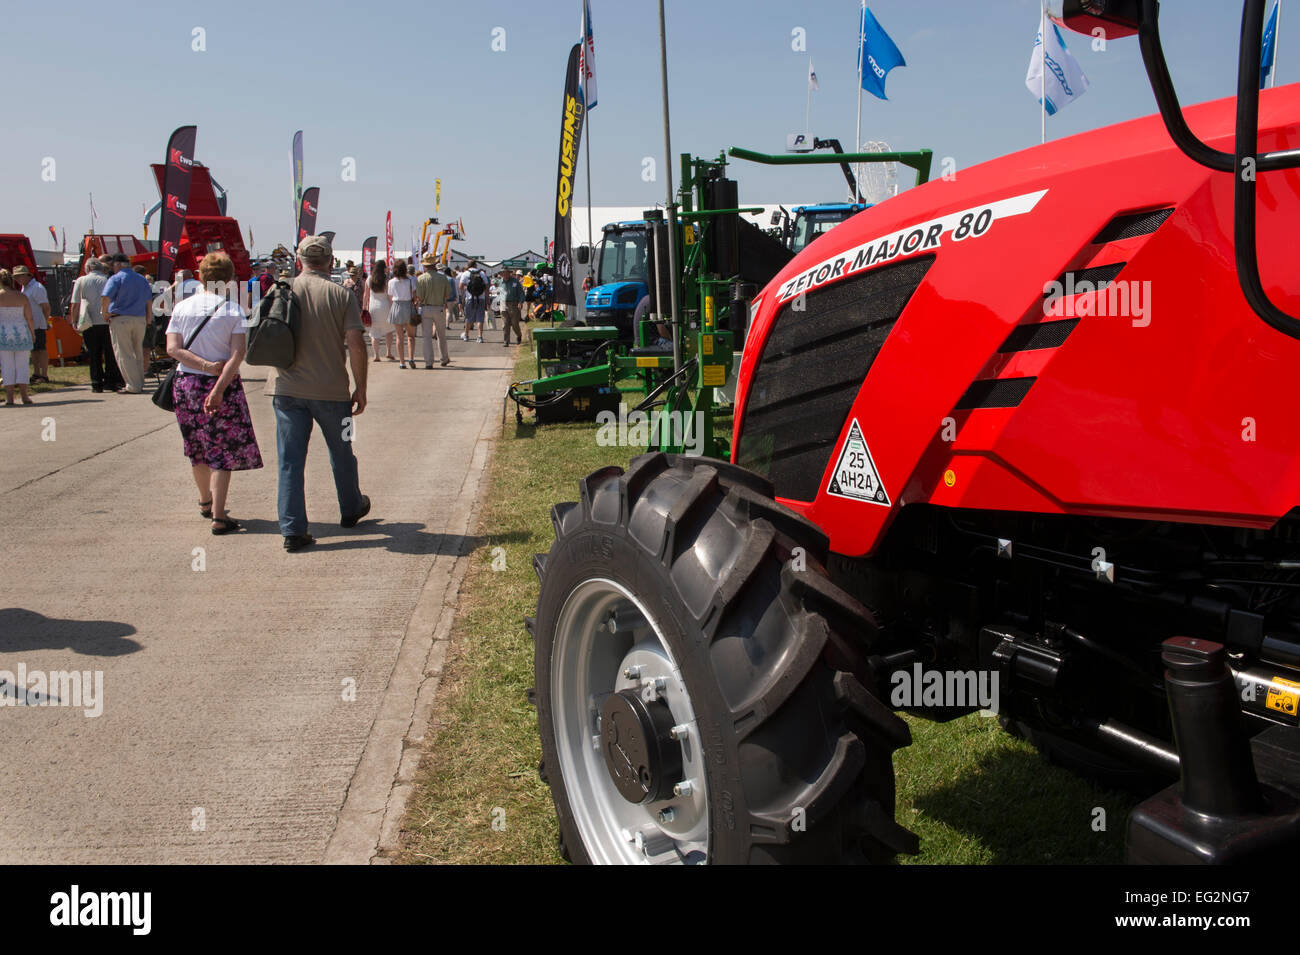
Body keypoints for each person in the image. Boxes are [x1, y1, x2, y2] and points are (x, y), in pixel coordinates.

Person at [266, 234, 370, 552]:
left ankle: (293, 529)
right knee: (342, 452)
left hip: (285, 390)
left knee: (290, 461)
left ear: (299, 260)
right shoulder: (341, 294)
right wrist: (360, 387)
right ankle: (351, 507)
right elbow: (355, 343)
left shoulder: (279, 290)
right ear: (330, 261)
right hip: (333, 392)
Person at [165, 252, 263, 535]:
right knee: (222, 451)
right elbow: (238, 355)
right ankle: (219, 516)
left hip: (187, 386)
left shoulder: (182, 308)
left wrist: (202, 365)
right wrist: (218, 383)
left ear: (201, 275)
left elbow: (173, 348)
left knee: (196, 448)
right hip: (223, 385)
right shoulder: (233, 311)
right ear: (230, 278)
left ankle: (205, 501)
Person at [68, 256, 122, 393]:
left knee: (94, 354)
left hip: (89, 322)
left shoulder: (81, 281)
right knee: (110, 353)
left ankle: (96, 382)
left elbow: (75, 304)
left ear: (88, 268)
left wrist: (74, 321)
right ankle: (111, 382)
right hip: (107, 321)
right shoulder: (108, 280)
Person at [100, 253, 153, 393]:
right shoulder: (142, 279)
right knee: (138, 352)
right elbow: (149, 301)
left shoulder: (116, 278)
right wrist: (149, 318)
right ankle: (139, 382)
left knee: (124, 353)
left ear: (117, 264)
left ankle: (133, 385)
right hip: (140, 319)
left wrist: (104, 312)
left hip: (121, 318)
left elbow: (106, 297)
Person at [0, 269, 36, 406]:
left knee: (7, 366)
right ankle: (24, 395)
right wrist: (32, 333)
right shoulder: (22, 297)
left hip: (3, 334)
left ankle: (9, 398)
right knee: (22, 365)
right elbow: (29, 318)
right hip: (21, 333)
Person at [12, 266, 50, 385]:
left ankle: (44, 374)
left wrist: (45, 321)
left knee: (41, 349)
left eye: (19, 276)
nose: (17, 279)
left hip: (38, 323)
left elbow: (45, 306)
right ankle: (37, 373)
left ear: (27, 275)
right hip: (30, 324)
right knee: (34, 350)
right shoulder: (25, 288)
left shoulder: (37, 288)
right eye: (16, 276)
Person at [415, 253, 453, 367]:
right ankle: (444, 358)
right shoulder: (443, 278)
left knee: (426, 337)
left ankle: (428, 362)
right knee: (441, 335)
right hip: (439, 308)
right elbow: (447, 295)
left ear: (425, 265)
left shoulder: (420, 279)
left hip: (425, 308)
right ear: (435, 264)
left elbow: (419, 296)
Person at [387, 259, 417, 368]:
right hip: (408, 306)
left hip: (396, 306)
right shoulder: (410, 281)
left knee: (399, 337)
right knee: (411, 336)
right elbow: (414, 295)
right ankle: (411, 358)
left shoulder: (391, 282)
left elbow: (390, 296)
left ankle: (401, 362)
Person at [364, 259, 394, 361]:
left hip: (373, 307)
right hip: (385, 306)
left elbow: (366, 295)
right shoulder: (387, 279)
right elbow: (390, 296)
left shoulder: (369, 279)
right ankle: (388, 352)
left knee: (374, 332)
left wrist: (364, 308)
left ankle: (376, 355)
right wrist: (392, 308)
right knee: (389, 330)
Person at [461, 261, 488, 343]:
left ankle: (466, 335)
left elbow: (460, 286)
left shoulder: (465, 273)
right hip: (481, 298)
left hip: (470, 298)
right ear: (476, 265)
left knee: (468, 317)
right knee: (480, 318)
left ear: (468, 265)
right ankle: (479, 337)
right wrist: (488, 299)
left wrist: (467, 289)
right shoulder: (482, 273)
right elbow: (486, 286)